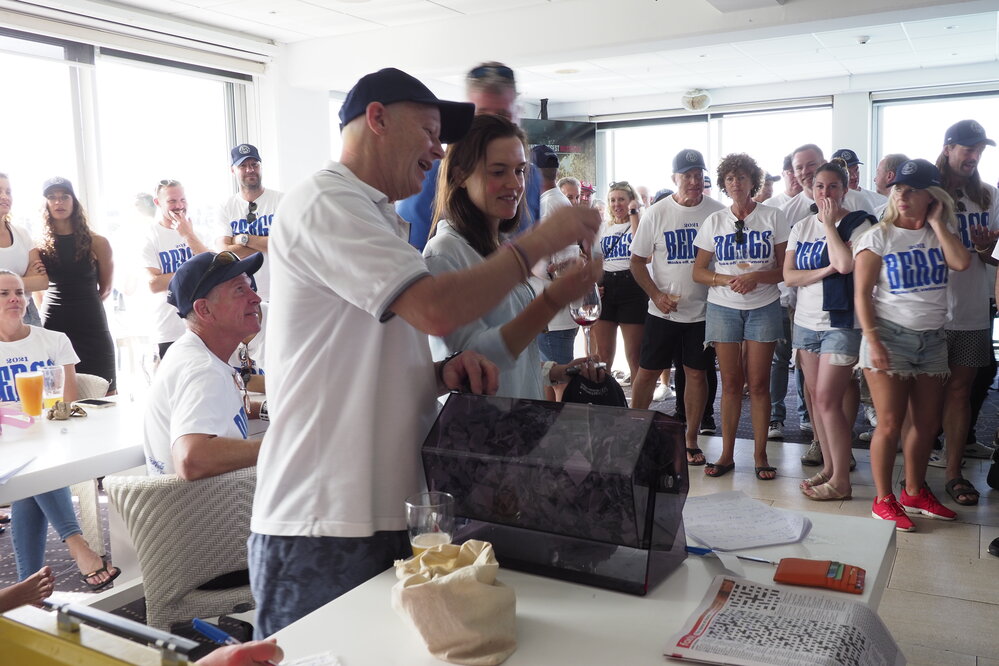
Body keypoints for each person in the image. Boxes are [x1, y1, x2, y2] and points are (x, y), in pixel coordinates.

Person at [249, 68, 600, 637]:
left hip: (384, 512)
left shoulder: (379, 217)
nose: (437, 149)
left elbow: (371, 355)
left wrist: (440, 372)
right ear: (378, 119)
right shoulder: (325, 199)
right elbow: (436, 310)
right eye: (430, 131)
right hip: (322, 520)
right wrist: (539, 243)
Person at [424, 115, 603, 399]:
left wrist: (557, 370)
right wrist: (551, 300)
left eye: (519, 171)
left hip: (518, 423)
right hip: (481, 432)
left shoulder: (498, 245)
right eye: (498, 172)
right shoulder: (445, 253)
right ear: (459, 177)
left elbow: (514, 358)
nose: (514, 183)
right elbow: (471, 365)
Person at [854, 159, 970, 532]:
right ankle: (883, 498)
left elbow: (962, 263)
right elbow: (861, 295)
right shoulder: (878, 236)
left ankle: (915, 492)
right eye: (899, 188)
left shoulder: (941, 232)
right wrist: (872, 339)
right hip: (888, 335)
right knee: (889, 424)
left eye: (913, 189)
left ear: (931, 196)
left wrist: (936, 222)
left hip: (933, 337)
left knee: (926, 423)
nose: (902, 195)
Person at [0, 270, 121, 589]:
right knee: (36, 467)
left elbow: (63, 405)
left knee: (35, 471)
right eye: (3, 293)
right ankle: (77, 544)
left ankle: (29, 588)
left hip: (47, 441)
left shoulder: (54, 341)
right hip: (4, 448)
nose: (14, 298)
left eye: (19, 292)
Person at [692, 153, 788, 480]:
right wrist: (727, 280)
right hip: (723, 308)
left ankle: (761, 455)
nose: (736, 183)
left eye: (742, 177)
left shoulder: (773, 217)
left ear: (753, 182)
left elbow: (784, 270)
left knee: (759, 384)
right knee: (731, 385)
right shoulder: (714, 222)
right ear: (723, 184)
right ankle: (727, 454)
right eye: (730, 178)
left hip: (764, 306)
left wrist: (755, 278)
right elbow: (699, 271)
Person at [783, 159, 874, 500]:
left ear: (845, 188)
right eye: (819, 186)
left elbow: (848, 264)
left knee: (827, 399)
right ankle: (830, 467)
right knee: (814, 398)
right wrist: (825, 271)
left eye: (832, 186)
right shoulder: (800, 227)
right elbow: (789, 276)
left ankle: (842, 481)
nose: (825, 192)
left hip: (841, 323)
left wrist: (830, 226)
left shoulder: (859, 223)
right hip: (805, 322)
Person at [630, 149, 725, 465]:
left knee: (697, 375)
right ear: (674, 179)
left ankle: (690, 439)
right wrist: (655, 295)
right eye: (687, 176)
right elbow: (637, 263)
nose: (694, 181)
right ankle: (635, 433)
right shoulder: (656, 213)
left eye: (699, 175)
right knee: (647, 373)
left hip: (703, 313)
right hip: (662, 311)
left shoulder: (717, 212)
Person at [143, 251, 264, 479]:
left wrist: (270, 411)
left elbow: (218, 410)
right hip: (211, 513)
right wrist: (284, 447)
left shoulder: (192, 352)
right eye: (239, 289)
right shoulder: (202, 369)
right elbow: (191, 459)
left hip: (199, 509)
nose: (255, 298)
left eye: (250, 286)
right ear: (204, 310)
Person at [397, 61, 541, 251]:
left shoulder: (528, 176)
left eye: (502, 115)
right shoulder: (430, 173)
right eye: (481, 115)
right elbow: (414, 257)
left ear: (517, 114)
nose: (492, 125)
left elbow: (528, 250)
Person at [933, 120, 999, 506]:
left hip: (973, 312)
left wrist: (985, 250)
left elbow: (994, 259)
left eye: (980, 150)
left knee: (960, 393)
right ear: (948, 147)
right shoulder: (926, 194)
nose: (973, 155)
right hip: (929, 313)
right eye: (967, 148)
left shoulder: (989, 197)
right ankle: (914, 474)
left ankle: (954, 472)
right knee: (922, 399)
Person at [37, 177, 117, 393]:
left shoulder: (98, 242)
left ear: (74, 201)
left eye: (64, 196)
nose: (58, 202)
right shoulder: (39, 246)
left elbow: (107, 288)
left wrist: (84, 306)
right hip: (55, 325)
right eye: (52, 197)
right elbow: (38, 288)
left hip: (92, 326)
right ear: (46, 204)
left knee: (106, 394)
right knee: (59, 396)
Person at [530, 145, 579, 400]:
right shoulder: (557, 201)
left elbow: (543, 266)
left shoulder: (548, 205)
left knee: (559, 381)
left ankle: (564, 435)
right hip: (557, 308)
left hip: (553, 313)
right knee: (549, 379)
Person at [143, 179, 210, 360]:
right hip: (168, 330)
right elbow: (154, 283)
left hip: (202, 326)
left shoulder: (196, 234)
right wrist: (196, 270)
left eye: (182, 200)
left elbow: (214, 267)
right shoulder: (150, 236)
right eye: (172, 201)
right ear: (158, 203)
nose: (179, 206)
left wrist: (188, 235)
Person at [592, 180, 646, 386]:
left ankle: (639, 409)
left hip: (631, 285)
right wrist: (596, 285)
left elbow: (639, 248)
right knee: (603, 354)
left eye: (621, 199)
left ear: (631, 201)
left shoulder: (639, 222)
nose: (617, 204)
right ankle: (604, 400)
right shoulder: (603, 228)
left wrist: (634, 213)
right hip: (607, 286)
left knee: (634, 354)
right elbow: (596, 260)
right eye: (613, 200)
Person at [215, 144, 282, 302]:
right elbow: (225, 253)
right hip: (244, 297)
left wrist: (243, 238)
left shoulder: (281, 201)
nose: (250, 169)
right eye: (243, 165)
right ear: (233, 170)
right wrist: (266, 243)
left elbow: (284, 244)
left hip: (280, 292)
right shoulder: (226, 206)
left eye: (254, 164)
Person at [0, 173, 47, 326]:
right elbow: (34, 281)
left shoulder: (22, 233)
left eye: (8, 192)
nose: (4, 196)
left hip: (27, 316)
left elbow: (42, 281)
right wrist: (26, 279)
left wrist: (4, 287)